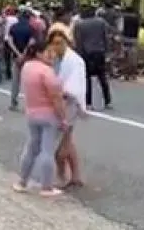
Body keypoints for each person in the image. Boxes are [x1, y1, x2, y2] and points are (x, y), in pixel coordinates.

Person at [12, 42, 67, 198]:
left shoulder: (27, 67)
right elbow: (56, 97)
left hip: (32, 112)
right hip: (48, 114)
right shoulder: (46, 71)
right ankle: (46, 186)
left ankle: (22, 181)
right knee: (47, 150)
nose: (52, 55)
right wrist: (63, 118)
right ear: (39, 53)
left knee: (31, 147)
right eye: (48, 52)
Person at [46, 27, 86, 189]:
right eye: (54, 43)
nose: (57, 46)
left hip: (70, 103)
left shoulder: (74, 61)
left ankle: (61, 175)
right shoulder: (54, 59)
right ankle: (76, 176)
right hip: (58, 103)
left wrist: (62, 92)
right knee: (68, 141)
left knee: (61, 146)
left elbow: (75, 86)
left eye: (60, 43)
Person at [72, 6, 112, 110]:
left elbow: (78, 41)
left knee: (87, 78)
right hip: (99, 51)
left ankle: (88, 102)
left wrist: (78, 54)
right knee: (102, 76)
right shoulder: (101, 22)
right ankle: (107, 101)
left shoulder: (79, 24)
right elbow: (106, 37)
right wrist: (107, 51)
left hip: (86, 52)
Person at [7, 7, 35, 111]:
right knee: (28, 82)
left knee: (15, 81)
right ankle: (29, 104)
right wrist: (24, 54)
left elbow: (10, 42)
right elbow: (31, 42)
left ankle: (13, 103)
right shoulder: (31, 28)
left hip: (15, 58)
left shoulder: (13, 27)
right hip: (27, 58)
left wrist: (17, 54)